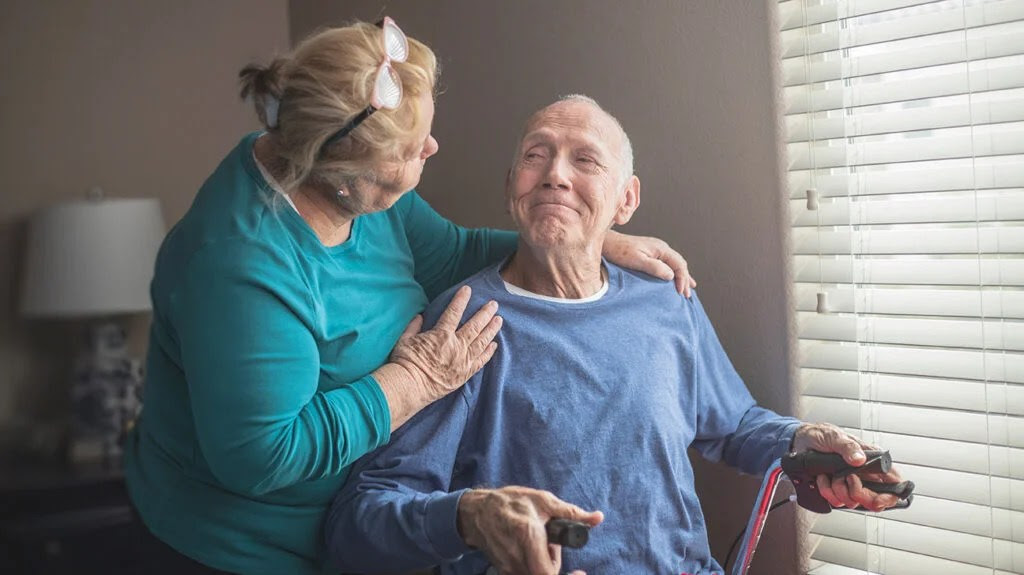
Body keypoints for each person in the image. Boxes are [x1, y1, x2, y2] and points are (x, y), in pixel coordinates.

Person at [122, 20, 695, 575]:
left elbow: (452, 251)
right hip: (237, 549)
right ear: (342, 171)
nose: (431, 146)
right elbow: (265, 453)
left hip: (346, 533)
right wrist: (412, 383)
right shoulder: (238, 265)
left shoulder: (335, 175)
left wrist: (590, 238)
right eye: (411, 147)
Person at [326, 95, 905, 575]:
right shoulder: (462, 327)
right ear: (512, 186)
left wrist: (807, 444)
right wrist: (470, 515)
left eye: (585, 160)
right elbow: (361, 521)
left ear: (626, 200)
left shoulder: (666, 302)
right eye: (536, 155)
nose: (555, 174)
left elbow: (733, 424)